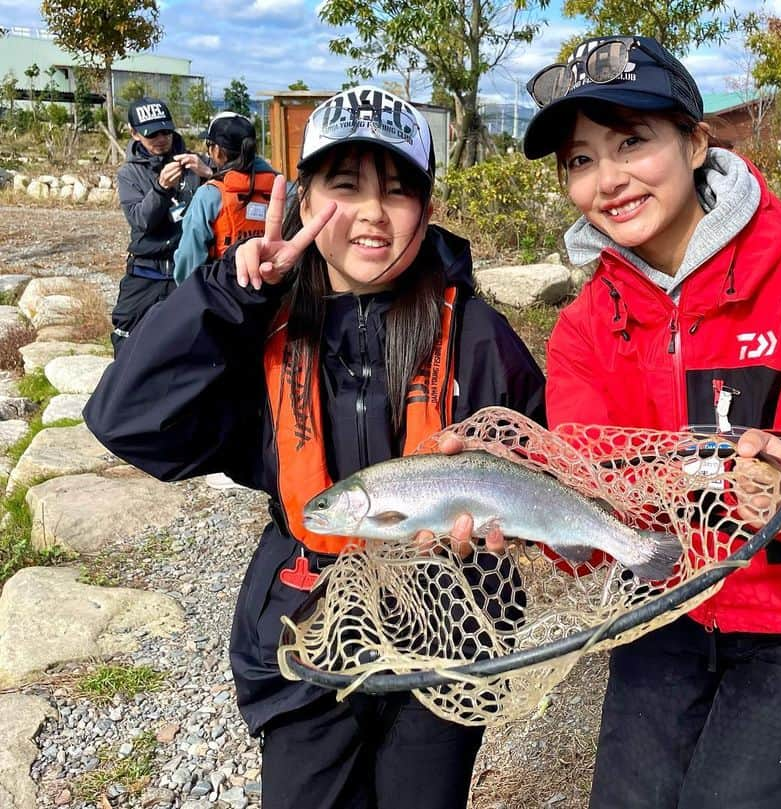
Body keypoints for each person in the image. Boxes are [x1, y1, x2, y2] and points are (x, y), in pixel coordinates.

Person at [84, 86, 546, 809]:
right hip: (304, 638)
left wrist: (504, 536)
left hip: (450, 638)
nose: (370, 213)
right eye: (343, 186)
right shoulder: (258, 329)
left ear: (425, 210)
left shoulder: (480, 336)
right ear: (302, 200)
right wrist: (227, 296)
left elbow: (544, 469)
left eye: (397, 191)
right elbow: (126, 421)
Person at [520, 35, 781, 808]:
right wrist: (523, 517)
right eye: (581, 159)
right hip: (670, 598)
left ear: (696, 143)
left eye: (633, 141)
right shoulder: (585, 327)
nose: (610, 179)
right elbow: (592, 498)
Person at [113, 97, 212, 353]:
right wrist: (161, 189)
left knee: (190, 344)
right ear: (134, 133)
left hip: (188, 273)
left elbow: (233, 194)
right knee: (127, 341)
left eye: (165, 131)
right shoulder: (129, 173)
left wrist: (210, 175)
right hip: (146, 274)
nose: (161, 139)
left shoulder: (196, 163)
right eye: (151, 134)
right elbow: (140, 220)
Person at [173, 111, 279, 284]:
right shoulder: (280, 186)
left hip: (225, 291)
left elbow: (189, 255)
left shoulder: (209, 194)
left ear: (217, 151)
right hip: (272, 287)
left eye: (209, 145)